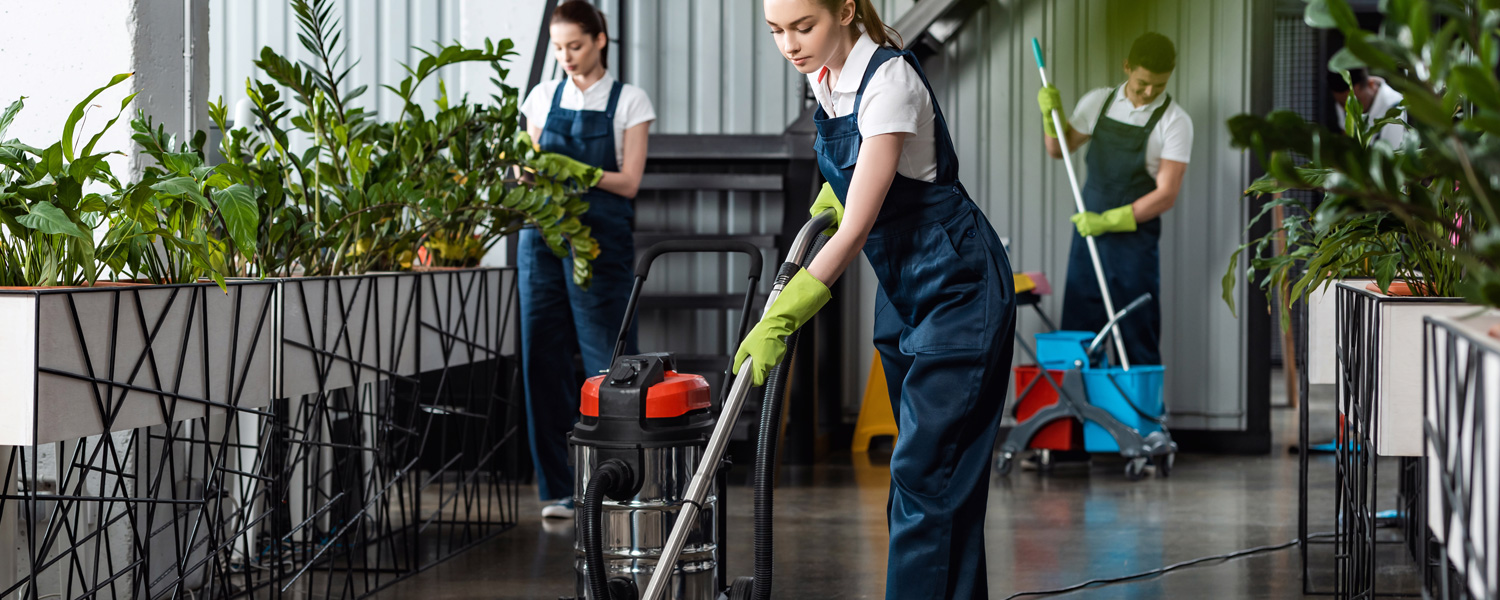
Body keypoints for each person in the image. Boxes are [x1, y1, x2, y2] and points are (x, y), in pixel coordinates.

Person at [743, 1, 1016, 597]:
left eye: (803, 27)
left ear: (845, 10)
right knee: (936, 479)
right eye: (776, 32)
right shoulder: (826, 80)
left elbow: (856, 228)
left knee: (925, 473)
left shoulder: (889, 81)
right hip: (902, 291)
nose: (789, 44)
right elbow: (858, 176)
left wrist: (781, 316)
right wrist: (830, 195)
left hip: (958, 287)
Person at [517, 0, 654, 520]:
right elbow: (525, 167)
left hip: (600, 242)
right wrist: (525, 174)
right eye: (558, 48)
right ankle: (557, 489)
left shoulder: (629, 102)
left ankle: (617, 485)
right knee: (541, 360)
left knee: (609, 363)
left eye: (574, 45)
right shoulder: (541, 97)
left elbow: (629, 182)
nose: (566, 57)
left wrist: (571, 168)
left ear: (599, 40)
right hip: (542, 241)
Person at [1037, 32, 1193, 367]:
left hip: (1134, 245)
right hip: (1088, 239)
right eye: (1142, 84)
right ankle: (1078, 419)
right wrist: (1051, 115)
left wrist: (1109, 219)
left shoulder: (1175, 122)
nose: (1149, 93)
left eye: (1159, 85)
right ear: (1127, 67)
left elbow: (1166, 195)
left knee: (1138, 333)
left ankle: (1140, 417)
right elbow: (1057, 149)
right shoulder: (1099, 102)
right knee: (1080, 334)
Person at [1330, 68, 1406, 146]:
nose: (1348, 110)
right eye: (1342, 104)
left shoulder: (1397, 110)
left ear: (1371, 84)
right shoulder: (1344, 101)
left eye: (1356, 102)